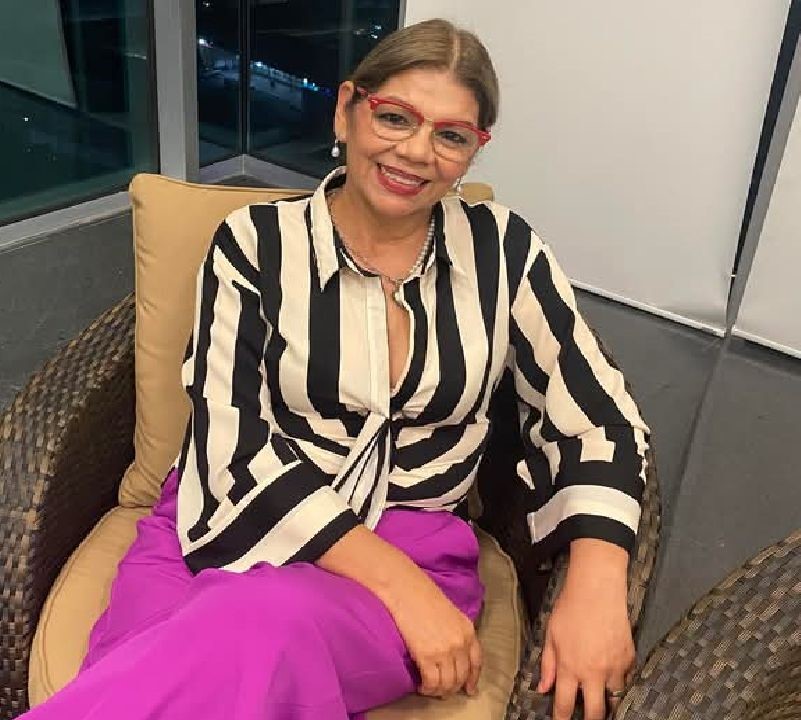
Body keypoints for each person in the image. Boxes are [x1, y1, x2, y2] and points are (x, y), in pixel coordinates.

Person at [23, 18, 649, 720]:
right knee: (157, 675)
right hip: (221, 520)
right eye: (394, 117)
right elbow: (231, 443)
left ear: (475, 150)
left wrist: (597, 577)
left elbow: (598, 412)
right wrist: (401, 590)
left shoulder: (503, 253)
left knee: (252, 629)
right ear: (346, 109)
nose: (416, 152)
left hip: (411, 539)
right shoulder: (255, 245)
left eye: (450, 135)